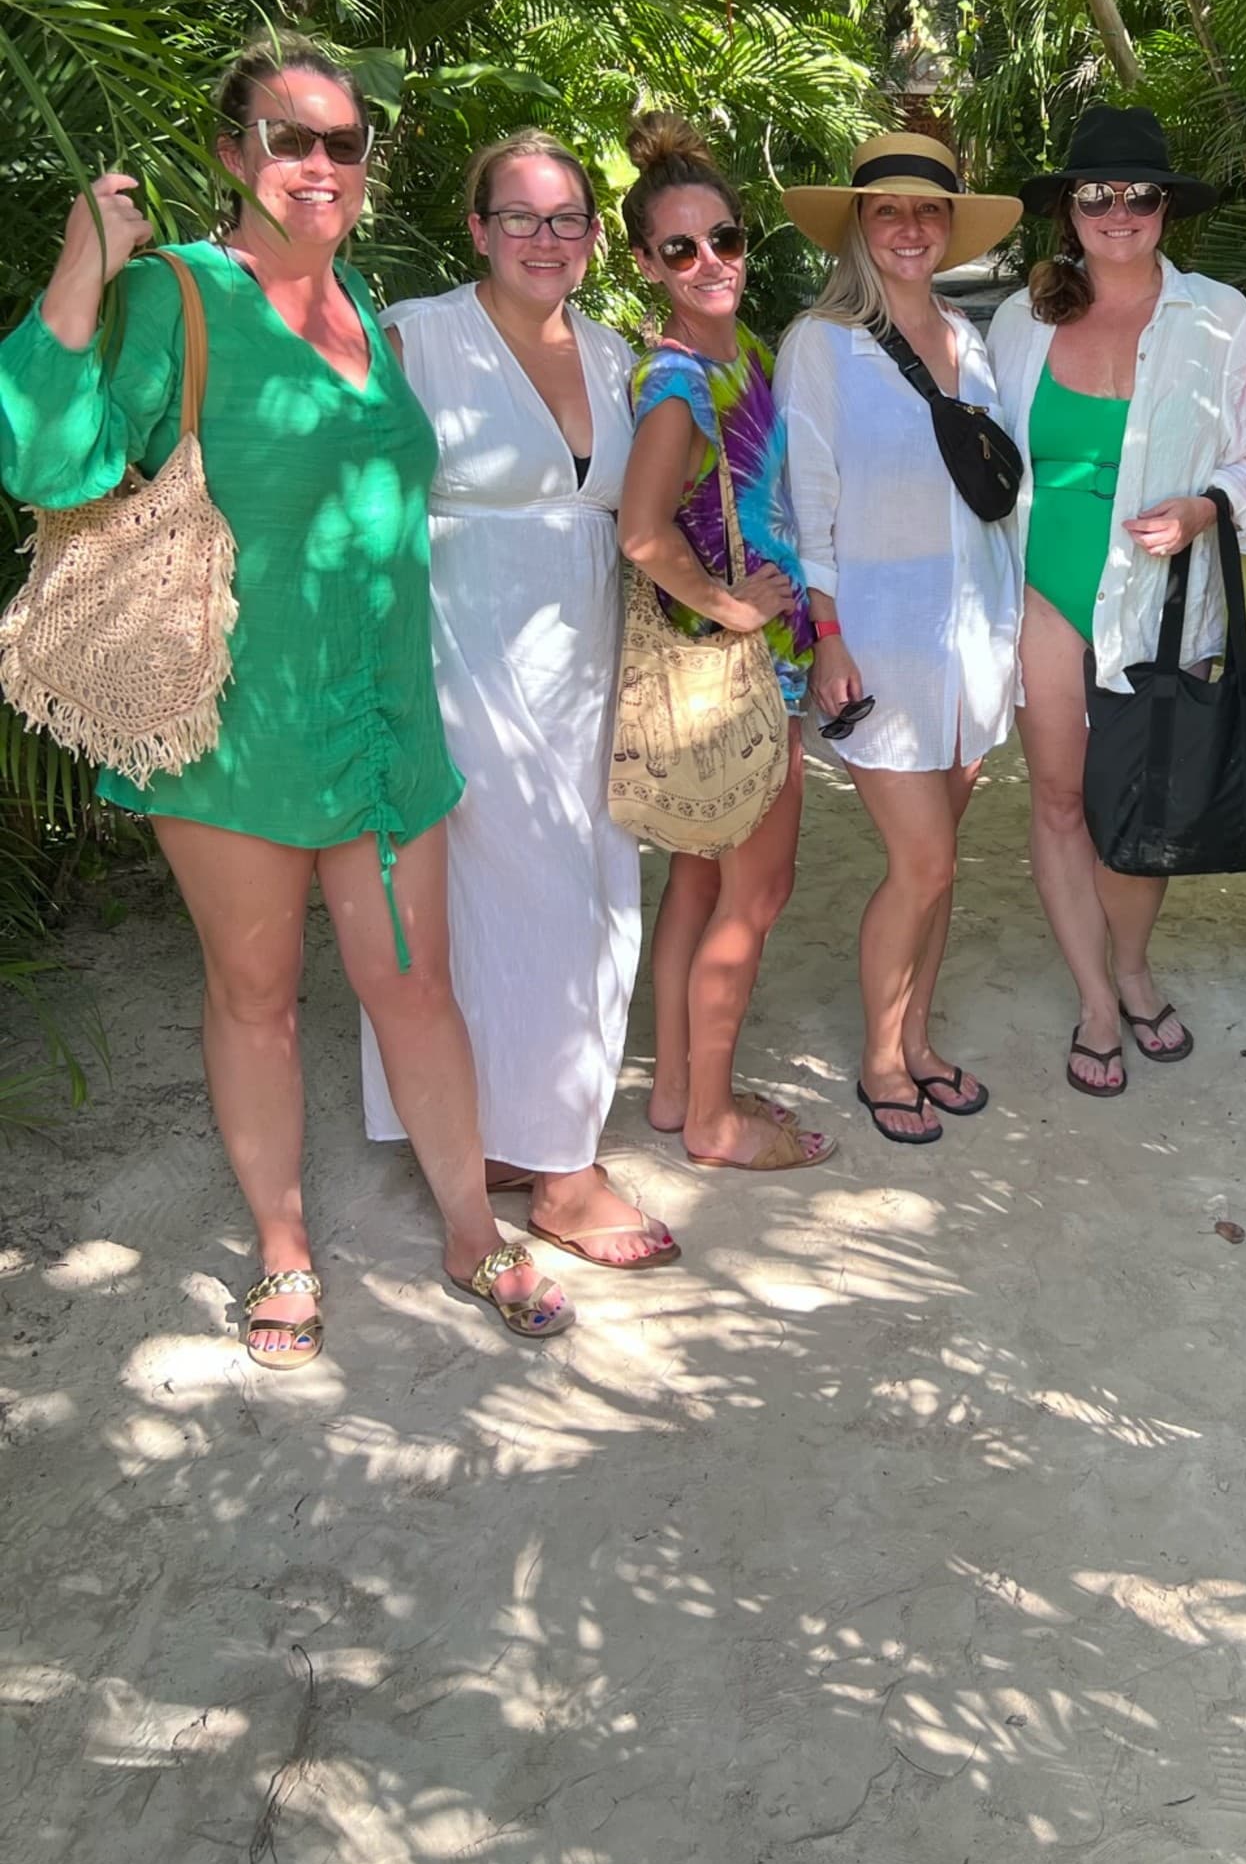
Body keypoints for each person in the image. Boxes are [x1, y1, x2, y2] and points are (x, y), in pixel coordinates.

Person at [0, 38, 569, 1362]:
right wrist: (86, 260)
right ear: (230, 155)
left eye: (343, 142)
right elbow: (48, 460)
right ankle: (285, 1249)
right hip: (234, 725)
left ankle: (473, 1235)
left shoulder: (366, 301)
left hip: (381, 718)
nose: (318, 164)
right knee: (255, 991)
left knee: (412, 984)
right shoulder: (180, 296)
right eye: (287, 137)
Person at [358, 132, 675, 1265]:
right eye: (521, 216)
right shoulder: (415, 337)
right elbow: (347, 499)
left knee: (591, 894)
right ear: (477, 227)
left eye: (568, 218)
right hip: (457, 660)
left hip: (584, 662)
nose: (546, 238)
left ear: (594, 237)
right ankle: (562, 1173)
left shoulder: (613, 353)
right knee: (524, 901)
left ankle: (505, 1132)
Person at [989, 104, 1246, 1096]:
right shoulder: (1023, 317)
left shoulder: (1219, 317)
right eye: (1095, 194)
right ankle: (1097, 1000)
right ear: (1068, 209)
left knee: (1137, 812)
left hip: (1156, 599)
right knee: (1062, 801)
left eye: (1137, 195)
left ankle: (1136, 966)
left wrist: (1205, 507)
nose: (1117, 212)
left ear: (1164, 208)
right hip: (1043, 592)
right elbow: (986, 457)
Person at [773, 131, 1022, 1144]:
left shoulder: (974, 340)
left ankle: (916, 1041)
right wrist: (825, 634)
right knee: (918, 862)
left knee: (944, 863)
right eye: (888, 211)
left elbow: (996, 497)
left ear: (949, 228)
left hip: (972, 640)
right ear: (859, 228)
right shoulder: (819, 344)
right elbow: (808, 502)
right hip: (878, 642)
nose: (909, 227)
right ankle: (880, 1060)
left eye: (928, 211)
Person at [618, 115, 837, 1174]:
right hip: (734, 674)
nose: (710, 262)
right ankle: (711, 1116)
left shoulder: (742, 351)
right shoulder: (675, 385)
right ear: (645, 264)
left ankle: (674, 1091)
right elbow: (642, 531)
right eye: (679, 248)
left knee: (704, 883)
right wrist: (732, 605)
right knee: (757, 890)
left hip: (757, 665)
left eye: (725, 239)